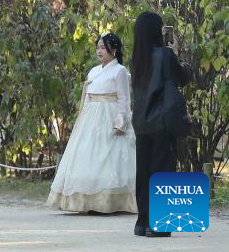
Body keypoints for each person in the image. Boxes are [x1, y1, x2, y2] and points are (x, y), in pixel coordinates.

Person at [47, 34, 136, 213]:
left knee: (110, 158)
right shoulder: (93, 71)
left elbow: (124, 98)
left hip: (110, 116)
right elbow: (87, 97)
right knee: (87, 156)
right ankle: (86, 201)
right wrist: (82, 119)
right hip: (91, 117)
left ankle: (111, 201)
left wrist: (122, 121)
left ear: (114, 50)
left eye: (103, 47)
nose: (99, 51)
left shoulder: (119, 71)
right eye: (98, 47)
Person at [130, 12, 192, 238]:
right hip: (162, 120)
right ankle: (159, 225)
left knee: (144, 171)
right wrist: (175, 53)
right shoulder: (165, 55)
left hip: (141, 122)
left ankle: (142, 222)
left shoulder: (135, 59)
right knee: (162, 170)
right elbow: (182, 77)